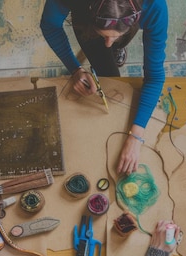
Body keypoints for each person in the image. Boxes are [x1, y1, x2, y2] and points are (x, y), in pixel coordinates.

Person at [40, 0, 168, 174]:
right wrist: (76, 69)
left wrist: (136, 137)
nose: (108, 43)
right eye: (104, 35)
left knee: (112, 58)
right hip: (86, 17)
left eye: (114, 35)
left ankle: (118, 44)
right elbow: (49, 26)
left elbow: (155, 77)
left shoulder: (155, 6)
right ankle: (105, 37)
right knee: (108, 73)